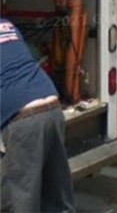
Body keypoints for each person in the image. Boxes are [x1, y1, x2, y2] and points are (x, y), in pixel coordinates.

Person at [0, 17, 76, 213]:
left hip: (23, 118)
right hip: (52, 106)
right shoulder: (6, 24)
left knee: (21, 201)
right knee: (57, 197)